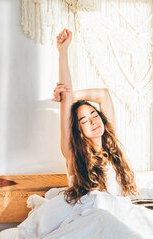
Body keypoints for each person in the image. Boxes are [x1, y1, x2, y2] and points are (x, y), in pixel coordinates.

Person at [52, 28, 137, 205]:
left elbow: (103, 95)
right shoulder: (73, 154)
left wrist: (69, 97)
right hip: (93, 216)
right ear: (79, 130)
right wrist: (63, 51)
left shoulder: (111, 147)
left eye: (94, 114)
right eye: (84, 120)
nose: (93, 121)